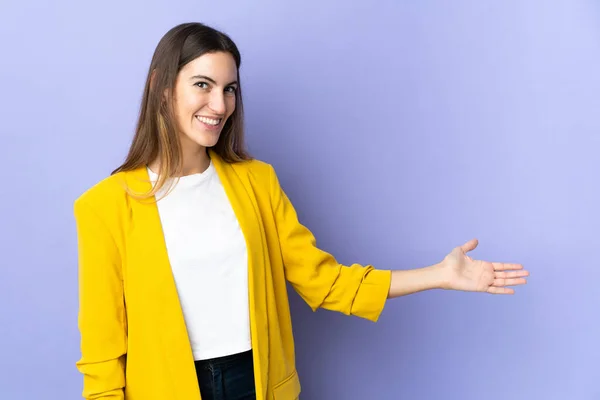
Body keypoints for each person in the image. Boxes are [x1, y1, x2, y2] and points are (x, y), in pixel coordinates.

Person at [73, 22, 529, 400]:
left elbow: (325, 282)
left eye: (229, 89)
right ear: (161, 87)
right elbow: (102, 353)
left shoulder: (257, 182)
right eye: (202, 85)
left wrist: (440, 274)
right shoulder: (106, 207)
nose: (219, 104)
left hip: (259, 383)